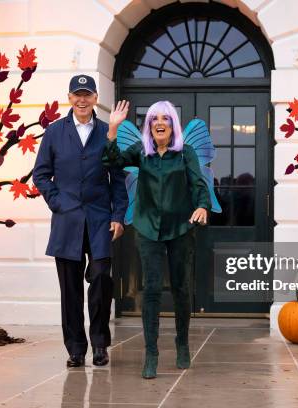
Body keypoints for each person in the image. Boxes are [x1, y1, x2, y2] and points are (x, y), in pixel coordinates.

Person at [102, 100, 211, 379]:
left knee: (181, 288)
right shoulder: (141, 151)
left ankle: (182, 343)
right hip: (148, 228)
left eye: (165, 118)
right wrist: (113, 128)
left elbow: (198, 184)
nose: (159, 123)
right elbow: (111, 161)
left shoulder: (185, 153)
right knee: (150, 290)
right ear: (149, 126)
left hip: (180, 228)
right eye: (154, 119)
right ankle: (151, 353)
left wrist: (202, 206)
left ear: (173, 124)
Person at [33, 75, 128, 368]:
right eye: (78, 95)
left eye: (88, 95)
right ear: (70, 98)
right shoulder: (54, 132)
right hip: (67, 222)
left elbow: (118, 179)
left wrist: (118, 216)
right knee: (70, 290)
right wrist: (58, 202)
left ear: (96, 98)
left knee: (100, 278)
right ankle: (75, 349)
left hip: (100, 220)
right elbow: (40, 174)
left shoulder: (108, 132)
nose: (83, 100)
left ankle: (99, 344)